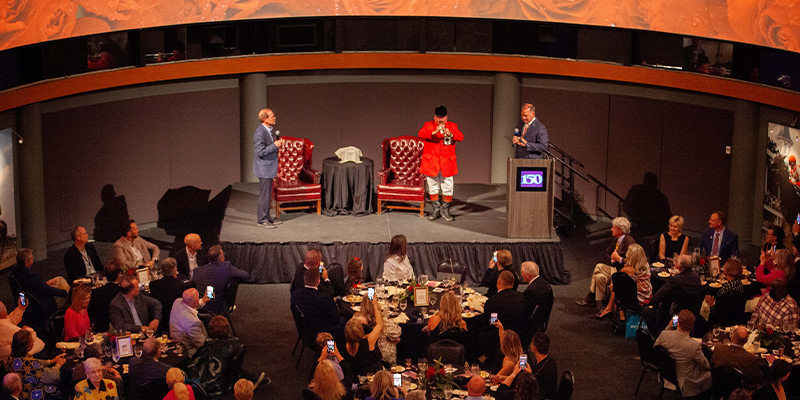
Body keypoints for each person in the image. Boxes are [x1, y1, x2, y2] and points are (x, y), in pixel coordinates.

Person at [188, 316, 267, 397]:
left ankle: (250, 378)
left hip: (205, 389)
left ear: (210, 330)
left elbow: (194, 361)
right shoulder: (235, 343)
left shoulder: (208, 345)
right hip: (224, 385)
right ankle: (251, 378)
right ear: (227, 329)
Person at [575, 217, 636, 308]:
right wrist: (612, 259)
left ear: (620, 230)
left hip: (622, 272)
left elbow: (634, 261)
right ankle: (604, 305)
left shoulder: (629, 241)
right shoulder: (616, 239)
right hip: (614, 268)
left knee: (599, 267)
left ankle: (591, 296)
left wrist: (619, 259)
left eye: (613, 227)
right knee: (599, 277)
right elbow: (606, 253)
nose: (611, 229)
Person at [418, 105, 463, 222]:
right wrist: (434, 132)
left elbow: (461, 137)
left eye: (443, 117)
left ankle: (446, 211)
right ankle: (436, 211)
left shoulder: (452, 126)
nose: (441, 120)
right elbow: (421, 133)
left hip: (447, 163)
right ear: (434, 117)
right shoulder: (428, 125)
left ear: (446, 117)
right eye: (438, 117)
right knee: (433, 187)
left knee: (448, 187)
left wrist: (451, 134)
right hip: (431, 163)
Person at [654, 310, 712, 398]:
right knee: (712, 374)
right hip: (684, 383)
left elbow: (655, 348)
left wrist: (669, 327)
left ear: (678, 323)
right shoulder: (694, 346)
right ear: (692, 327)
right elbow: (705, 366)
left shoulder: (664, 335)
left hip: (666, 375)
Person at [644, 255, 703, 336]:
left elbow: (657, 297)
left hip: (676, 317)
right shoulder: (696, 278)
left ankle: (657, 337)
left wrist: (656, 307)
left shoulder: (675, 280)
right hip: (693, 316)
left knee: (645, 311)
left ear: (678, 266)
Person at [1, 329, 65, 400]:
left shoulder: (12, 357)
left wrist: (51, 361)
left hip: (21, 391)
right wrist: (58, 365)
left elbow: (36, 362)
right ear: (29, 346)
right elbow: (54, 377)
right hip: (30, 395)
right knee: (62, 385)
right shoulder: (28, 364)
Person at [191, 245, 250, 316]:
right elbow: (245, 275)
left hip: (199, 308)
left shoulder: (196, 271)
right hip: (218, 308)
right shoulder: (226, 268)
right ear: (222, 258)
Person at [597, 244, 652, 319]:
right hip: (647, 296)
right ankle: (616, 311)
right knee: (620, 286)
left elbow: (616, 280)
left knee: (617, 287)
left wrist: (613, 285)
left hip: (637, 300)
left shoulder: (627, 270)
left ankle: (612, 310)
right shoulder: (646, 265)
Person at [10, 248, 69, 318]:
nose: (33, 258)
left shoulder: (14, 270)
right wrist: (64, 292)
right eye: (32, 258)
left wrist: (44, 283)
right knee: (69, 297)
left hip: (32, 296)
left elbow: (36, 285)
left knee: (59, 279)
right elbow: (47, 290)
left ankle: (70, 291)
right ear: (26, 262)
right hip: (41, 303)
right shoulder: (32, 276)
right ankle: (72, 296)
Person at [291, 267, 344, 343]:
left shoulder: (295, 295)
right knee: (345, 320)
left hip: (306, 332)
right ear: (318, 282)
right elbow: (335, 319)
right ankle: (336, 348)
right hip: (325, 335)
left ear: (304, 279)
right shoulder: (325, 298)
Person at [253, 108, 285, 228]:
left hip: (269, 168)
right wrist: (275, 146)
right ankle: (262, 220)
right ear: (265, 119)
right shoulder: (260, 132)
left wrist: (277, 144)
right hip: (264, 168)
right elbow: (260, 152)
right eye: (272, 116)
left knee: (268, 195)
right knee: (265, 195)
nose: (274, 118)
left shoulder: (268, 130)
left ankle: (267, 216)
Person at [150, 257, 193, 330]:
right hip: (177, 321)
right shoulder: (182, 286)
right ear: (175, 271)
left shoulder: (153, 285)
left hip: (159, 320)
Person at [344, 300, 384, 376]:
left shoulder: (348, 345)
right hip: (374, 375)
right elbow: (379, 324)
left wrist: (355, 321)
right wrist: (375, 307)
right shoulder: (369, 341)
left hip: (359, 375)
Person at [485, 270, 527, 337]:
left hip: (499, 337)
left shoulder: (492, 302)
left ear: (498, 282)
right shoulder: (522, 297)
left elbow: (493, 323)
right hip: (519, 334)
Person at [170, 288, 208, 356]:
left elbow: (189, 304)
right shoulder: (193, 323)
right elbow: (201, 345)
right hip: (187, 352)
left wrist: (203, 300)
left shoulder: (177, 302)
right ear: (195, 302)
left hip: (174, 342)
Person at [88, 262, 122, 332]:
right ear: (119, 275)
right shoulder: (121, 292)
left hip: (99, 330)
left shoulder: (95, 292)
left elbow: (91, 314)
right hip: (119, 329)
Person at [528, 332, 558, 400]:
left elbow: (532, 387)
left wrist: (529, 374)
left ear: (534, 348)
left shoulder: (542, 370)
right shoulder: (551, 361)